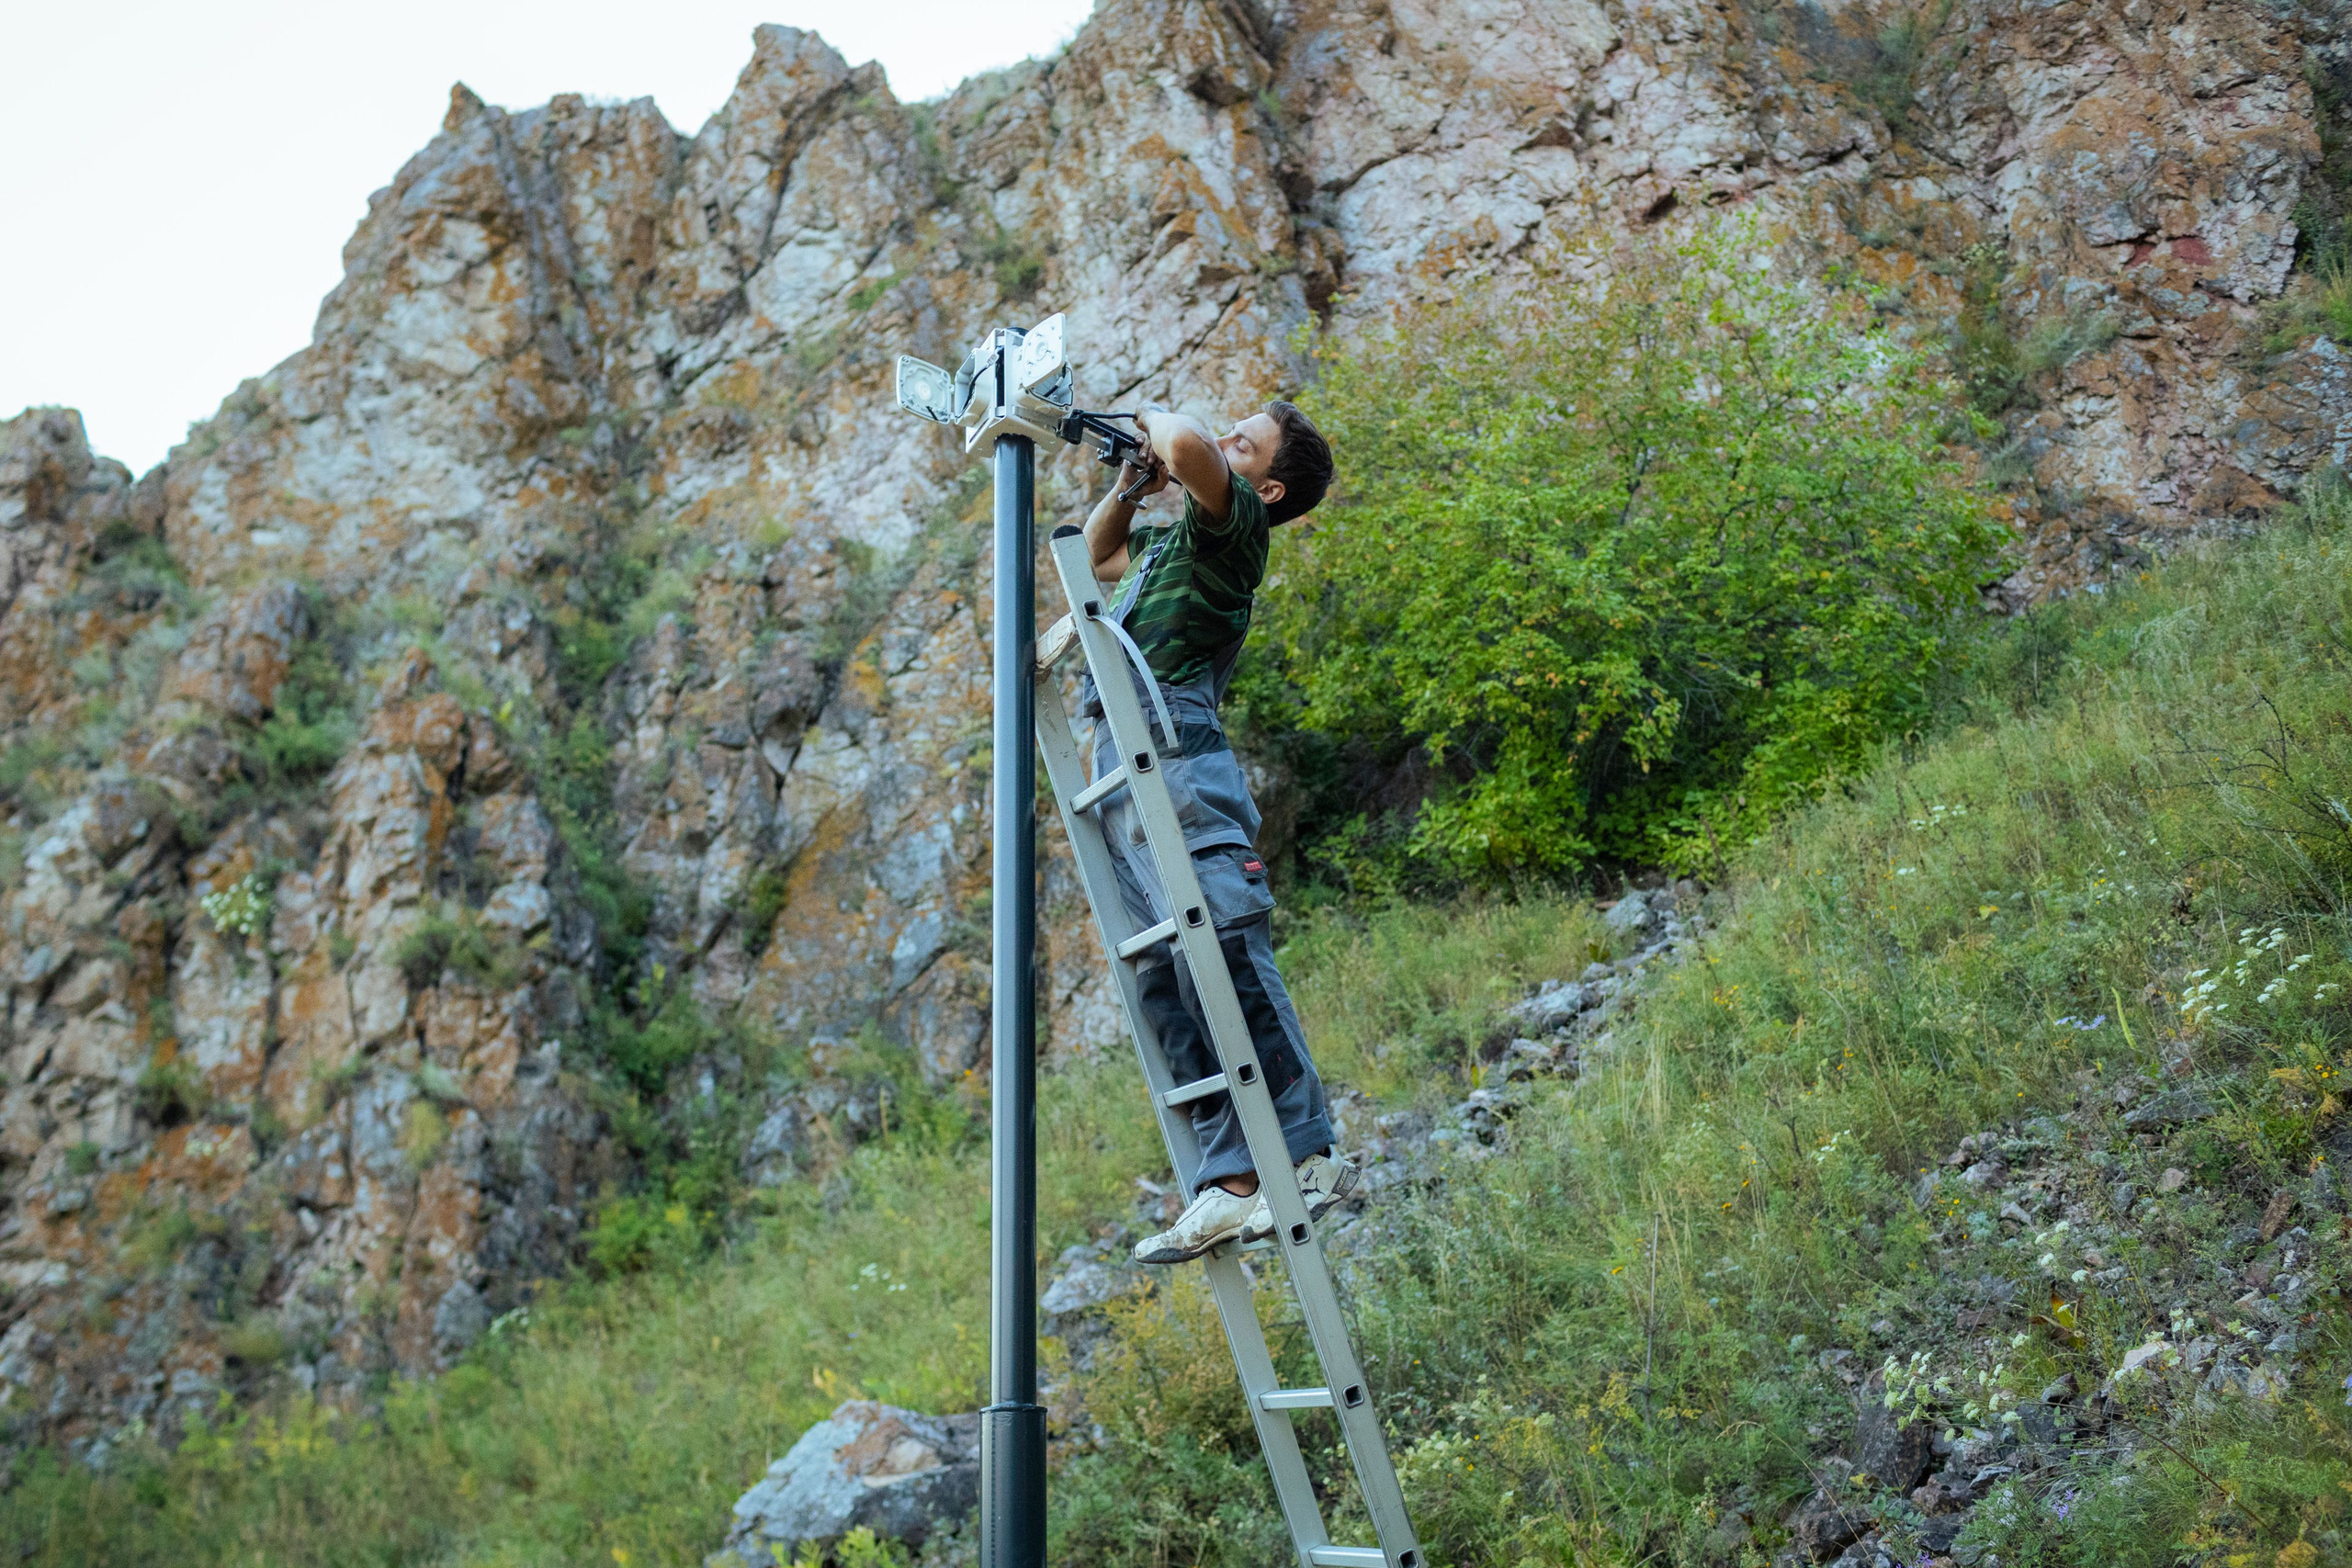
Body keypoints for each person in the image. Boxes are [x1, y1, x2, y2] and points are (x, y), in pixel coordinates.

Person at [1076, 400, 1350, 1266]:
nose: (1226, 444)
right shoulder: (1174, 546)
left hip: (1174, 753)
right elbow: (1097, 557)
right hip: (1118, 761)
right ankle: (1228, 1182)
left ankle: (1306, 1151)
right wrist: (1128, 485)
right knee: (1162, 974)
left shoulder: (1236, 536)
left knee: (1223, 943)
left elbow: (1188, 443)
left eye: (1248, 444)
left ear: (1265, 487)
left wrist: (1148, 424)